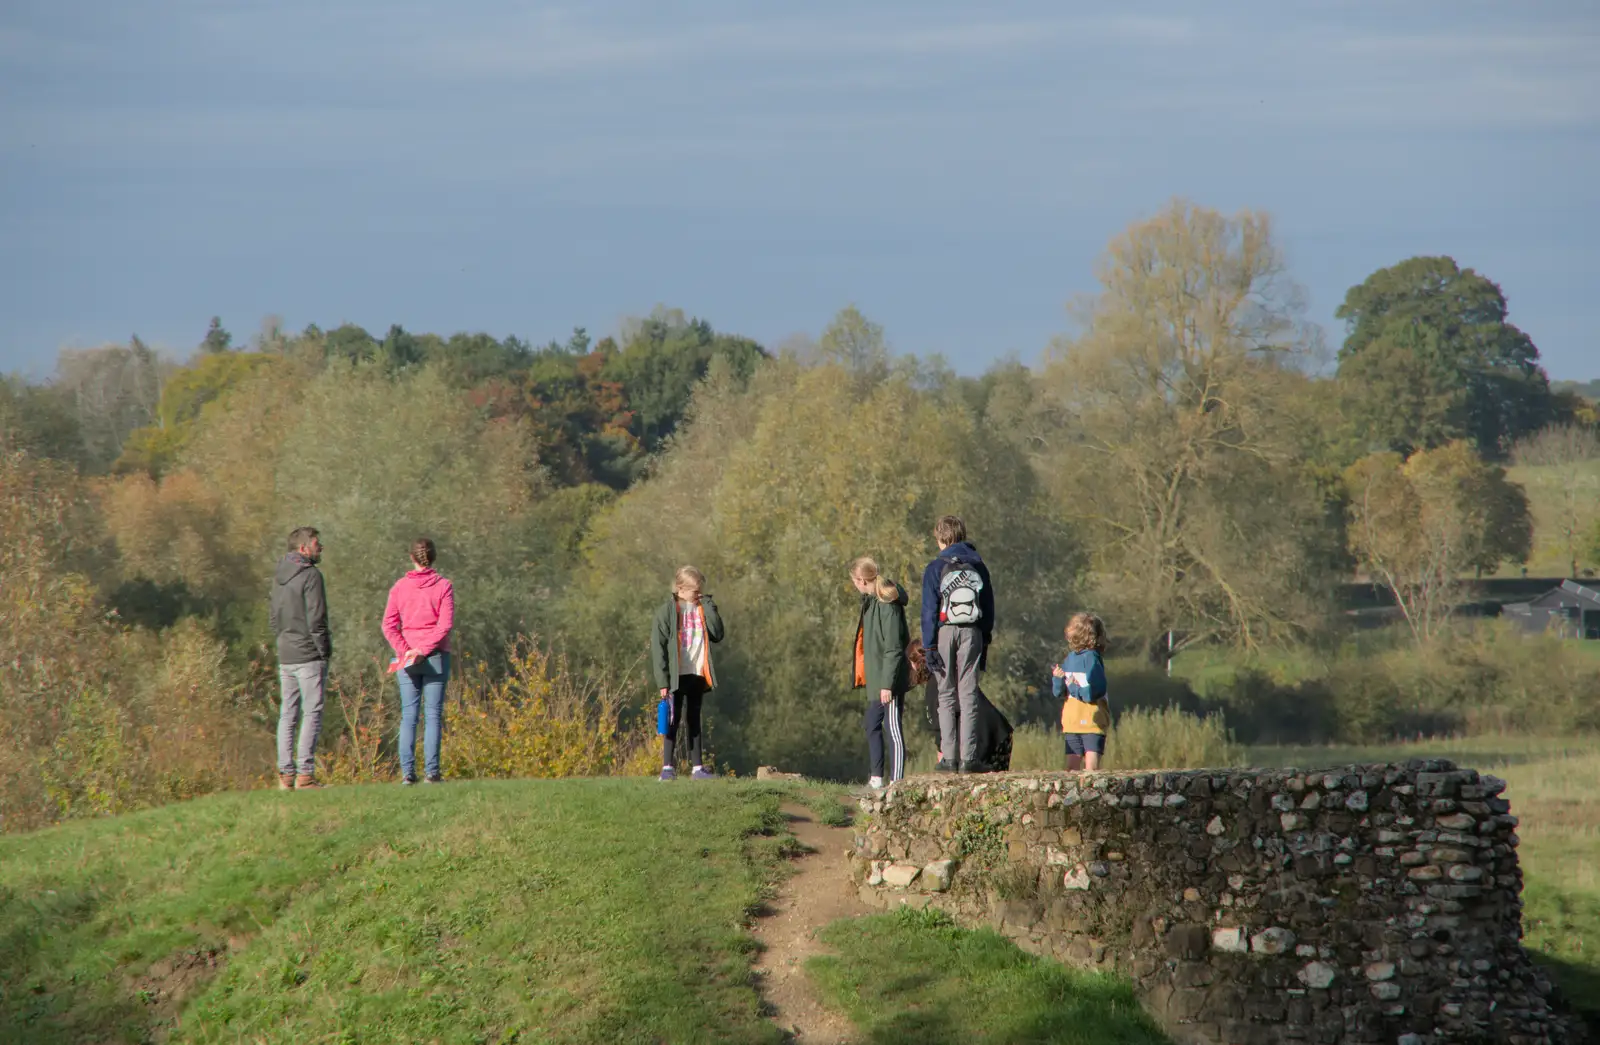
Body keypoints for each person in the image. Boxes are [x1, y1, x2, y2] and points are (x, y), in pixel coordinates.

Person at [919, 515, 996, 773]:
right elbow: (988, 607)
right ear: (962, 535)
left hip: (943, 633)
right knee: (968, 693)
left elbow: (929, 610)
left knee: (946, 693)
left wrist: (929, 647)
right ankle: (969, 758)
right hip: (972, 632)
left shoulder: (934, 567)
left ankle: (948, 758)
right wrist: (984, 637)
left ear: (940, 538)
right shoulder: (978, 565)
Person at [382, 537, 456, 785]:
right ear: (433, 556)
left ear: (411, 557)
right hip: (435, 656)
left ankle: (407, 774)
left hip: (407, 659)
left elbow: (389, 625)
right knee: (433, 715)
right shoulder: (444, 586)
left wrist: (406, 652)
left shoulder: (399, 587)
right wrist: (423, 650)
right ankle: (432, 774)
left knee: (408, 715)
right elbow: (444, 624)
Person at [270, 526, 332, 791]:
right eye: (317, 543)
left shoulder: (279, 576)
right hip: (308, 653)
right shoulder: (311, 575)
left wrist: (282, 640)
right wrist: (324, 650)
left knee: (288, 713)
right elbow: (317, 619)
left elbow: (273, 617)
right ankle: (305, 774)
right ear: (303, 548)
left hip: (285, 652)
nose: (321, 547)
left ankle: (286, 775)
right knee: (312, 711)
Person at [650, 565, 724, 781]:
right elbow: (658, 648)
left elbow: (718, 634)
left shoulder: (703, 607)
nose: (698, 594)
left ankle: (697, 769)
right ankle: (667, 768)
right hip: (676, 674)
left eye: (701, 590)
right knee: (672, 719)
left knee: (694, 719)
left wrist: (709, 604)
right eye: (695, 591)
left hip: (697, 673)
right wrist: (662, 681)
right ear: (681, 588)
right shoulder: (666, 612)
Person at [849, 556, 910, 789]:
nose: (854, 586)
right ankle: (876, 779)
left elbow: (894, 648)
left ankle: (897, 783)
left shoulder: (888, 604)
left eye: (854, 581)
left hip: (889, 682)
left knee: (892, 728)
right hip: (876, 681)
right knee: (871, 724)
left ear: (862, 580)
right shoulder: (870, 602)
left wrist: (887, 684)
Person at [909, 640, 1013, 773]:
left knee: (968, 781)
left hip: (987, 737)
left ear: (916, 663)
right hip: (1000, 734)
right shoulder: (948, 676)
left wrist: (944, 755)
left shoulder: (935, 685)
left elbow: (939, 726)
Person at [1054, 612, 1109, 771]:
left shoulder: (1092, 659)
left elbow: (1093, 692)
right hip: (1072, 722)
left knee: (1090, 770)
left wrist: (1073, 687)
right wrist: (1058, 679)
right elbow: (1060, 692)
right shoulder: (1070, 658)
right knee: (1072, 769)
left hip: (1092, 722)